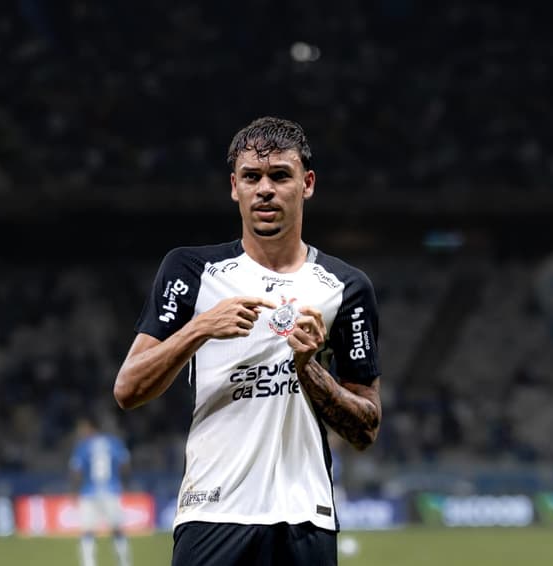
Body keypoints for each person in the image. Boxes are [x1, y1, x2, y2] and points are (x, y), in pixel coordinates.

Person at [114, 116, 382, 565]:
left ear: (307, 183)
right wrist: (200, 328)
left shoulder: (346, 286)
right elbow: (128, 389)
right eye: (251, 177)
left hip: (306, 518)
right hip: (212, 514)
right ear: (234, 187)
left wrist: (308, 367)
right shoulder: (191, 271)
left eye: (280, 175)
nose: (265, 189)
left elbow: (365, 429)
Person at [69, 416, 132, 566]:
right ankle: (124, 563)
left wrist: (74, 490)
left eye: (83, 427)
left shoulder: (83, 445)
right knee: (117, 531)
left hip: (89, 492)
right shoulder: (113, 442)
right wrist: (124, 483)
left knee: (87, 532)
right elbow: (126, 464)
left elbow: (76, 471)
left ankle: (88, 563)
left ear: (91, 428)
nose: (81, 431)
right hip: (111, 490)